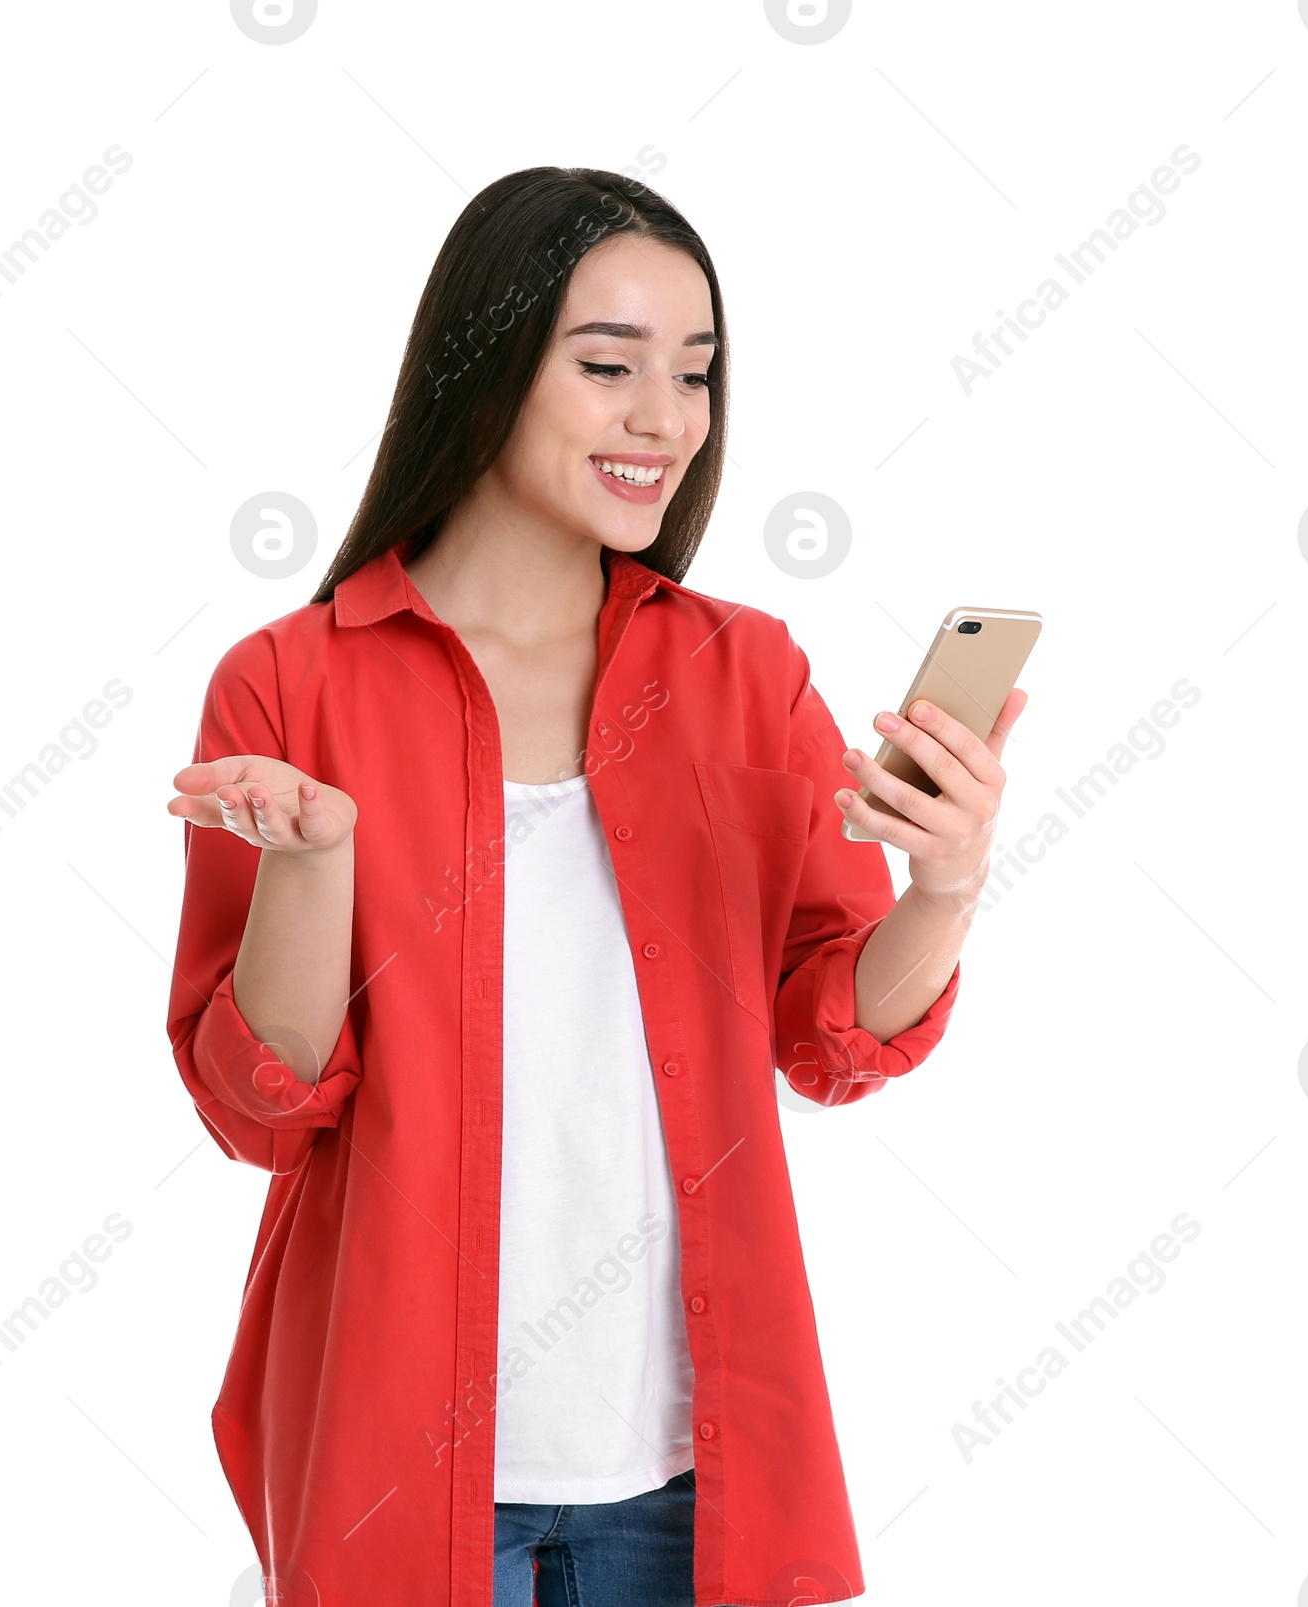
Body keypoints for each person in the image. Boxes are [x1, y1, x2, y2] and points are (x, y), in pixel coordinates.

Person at [165, 167, 1025, 1607]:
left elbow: (827, 1031)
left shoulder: (744, 676)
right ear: (486, 364)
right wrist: (316, 868)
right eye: (609, 366)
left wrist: (944, 887)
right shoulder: (290, 683)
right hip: (395, 1459)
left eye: (695, 374)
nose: (665, 419)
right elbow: (263, 1104)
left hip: (689, 1474)